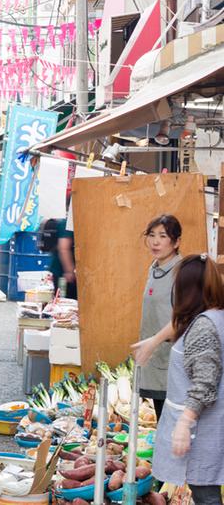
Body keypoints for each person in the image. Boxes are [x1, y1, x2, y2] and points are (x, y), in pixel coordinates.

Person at [150, 254, 224, 504]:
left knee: (205, 493)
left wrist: (184, 423)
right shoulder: (214, 316)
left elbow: (205, 382)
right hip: (210, 429)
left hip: (205, 431)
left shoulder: (203, 326)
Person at [132, 214, 184, 417]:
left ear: (177, 241)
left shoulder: (180, 273)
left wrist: (154, 342)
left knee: (171, 421)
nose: (155, 241)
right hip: (154, 357)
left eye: (163, 236)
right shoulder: (154, 268)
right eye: (152, 235)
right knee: (162, 419)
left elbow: (182, 318)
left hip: (172, 359)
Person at [41, 217, 76, 300]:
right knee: (65, 303)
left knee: (63, 301)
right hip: (63, 272)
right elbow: (63, 248)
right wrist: (69, 271)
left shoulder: (65, 222)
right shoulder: (68, 224)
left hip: (60, 271)